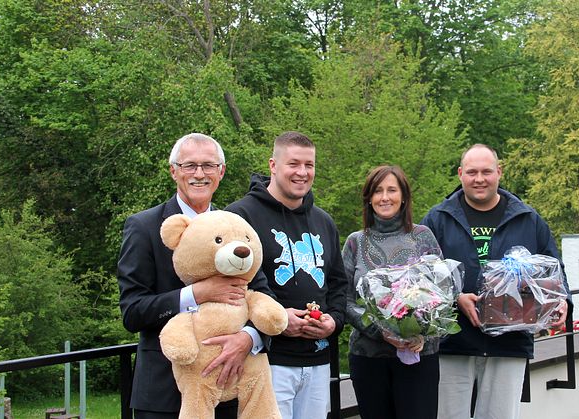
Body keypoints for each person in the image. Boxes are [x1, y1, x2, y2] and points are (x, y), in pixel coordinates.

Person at [117, 133, 273, 419]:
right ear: (173, 171)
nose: (199, 174)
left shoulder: (235, 227)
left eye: (208, 166)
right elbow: (132, 312)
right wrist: (198, 294)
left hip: (228, 391)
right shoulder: (144, 226)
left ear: (221, 172)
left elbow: (265, 295)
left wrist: (249, 337)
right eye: (189, 166)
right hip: (164, 397)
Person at [421, 144, 571, 419]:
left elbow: (555, 270)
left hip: (510, 344)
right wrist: (455, 297)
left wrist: (563, 303)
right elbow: (419, 276)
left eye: (487, 171)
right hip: (453, 342)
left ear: (499, 172)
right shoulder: (437, 219)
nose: (480, 179)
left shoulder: (528, 218)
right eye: (472, 172)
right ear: (460, 174)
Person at [225, 131, 347, 419]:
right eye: (294, 164)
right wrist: (277, 319)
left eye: (309, 165)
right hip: (267, 360)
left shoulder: (324, 221)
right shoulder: (240, 216)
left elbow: (338, 283)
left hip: (318, 360)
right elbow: (240, 283)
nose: (302, 172)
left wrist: (334, 321)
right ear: (273, 165)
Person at [342, 165, 444, 419]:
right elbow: (342, 298)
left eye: (391, 190)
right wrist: (381, 331)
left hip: (419, 356)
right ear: (369, 197)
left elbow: (443, 293)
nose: (384, 197)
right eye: (377, 191)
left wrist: (423, 331)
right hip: (368, 358)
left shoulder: (423, 237)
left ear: (404, 196)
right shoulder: (356, 241)